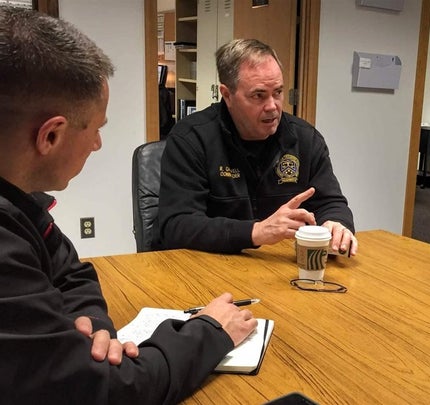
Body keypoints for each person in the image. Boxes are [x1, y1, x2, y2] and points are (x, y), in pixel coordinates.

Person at [0, 7, 257, 403]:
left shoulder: (18, 200)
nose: (98, 144)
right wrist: (211, 331)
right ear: (50, 135)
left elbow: (70, 271)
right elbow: (105, 392)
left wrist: (95, 326)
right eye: (97, 128)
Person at [152, 38, 358, 256]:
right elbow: (176, 225)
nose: (272, 107)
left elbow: (331, 202)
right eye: (258, 95)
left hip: (278, 269)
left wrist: (337, 224)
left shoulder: (305, 139)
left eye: (278, 92)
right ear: (227, 95)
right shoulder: (191, 139)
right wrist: (256, 232)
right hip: (207, 267)